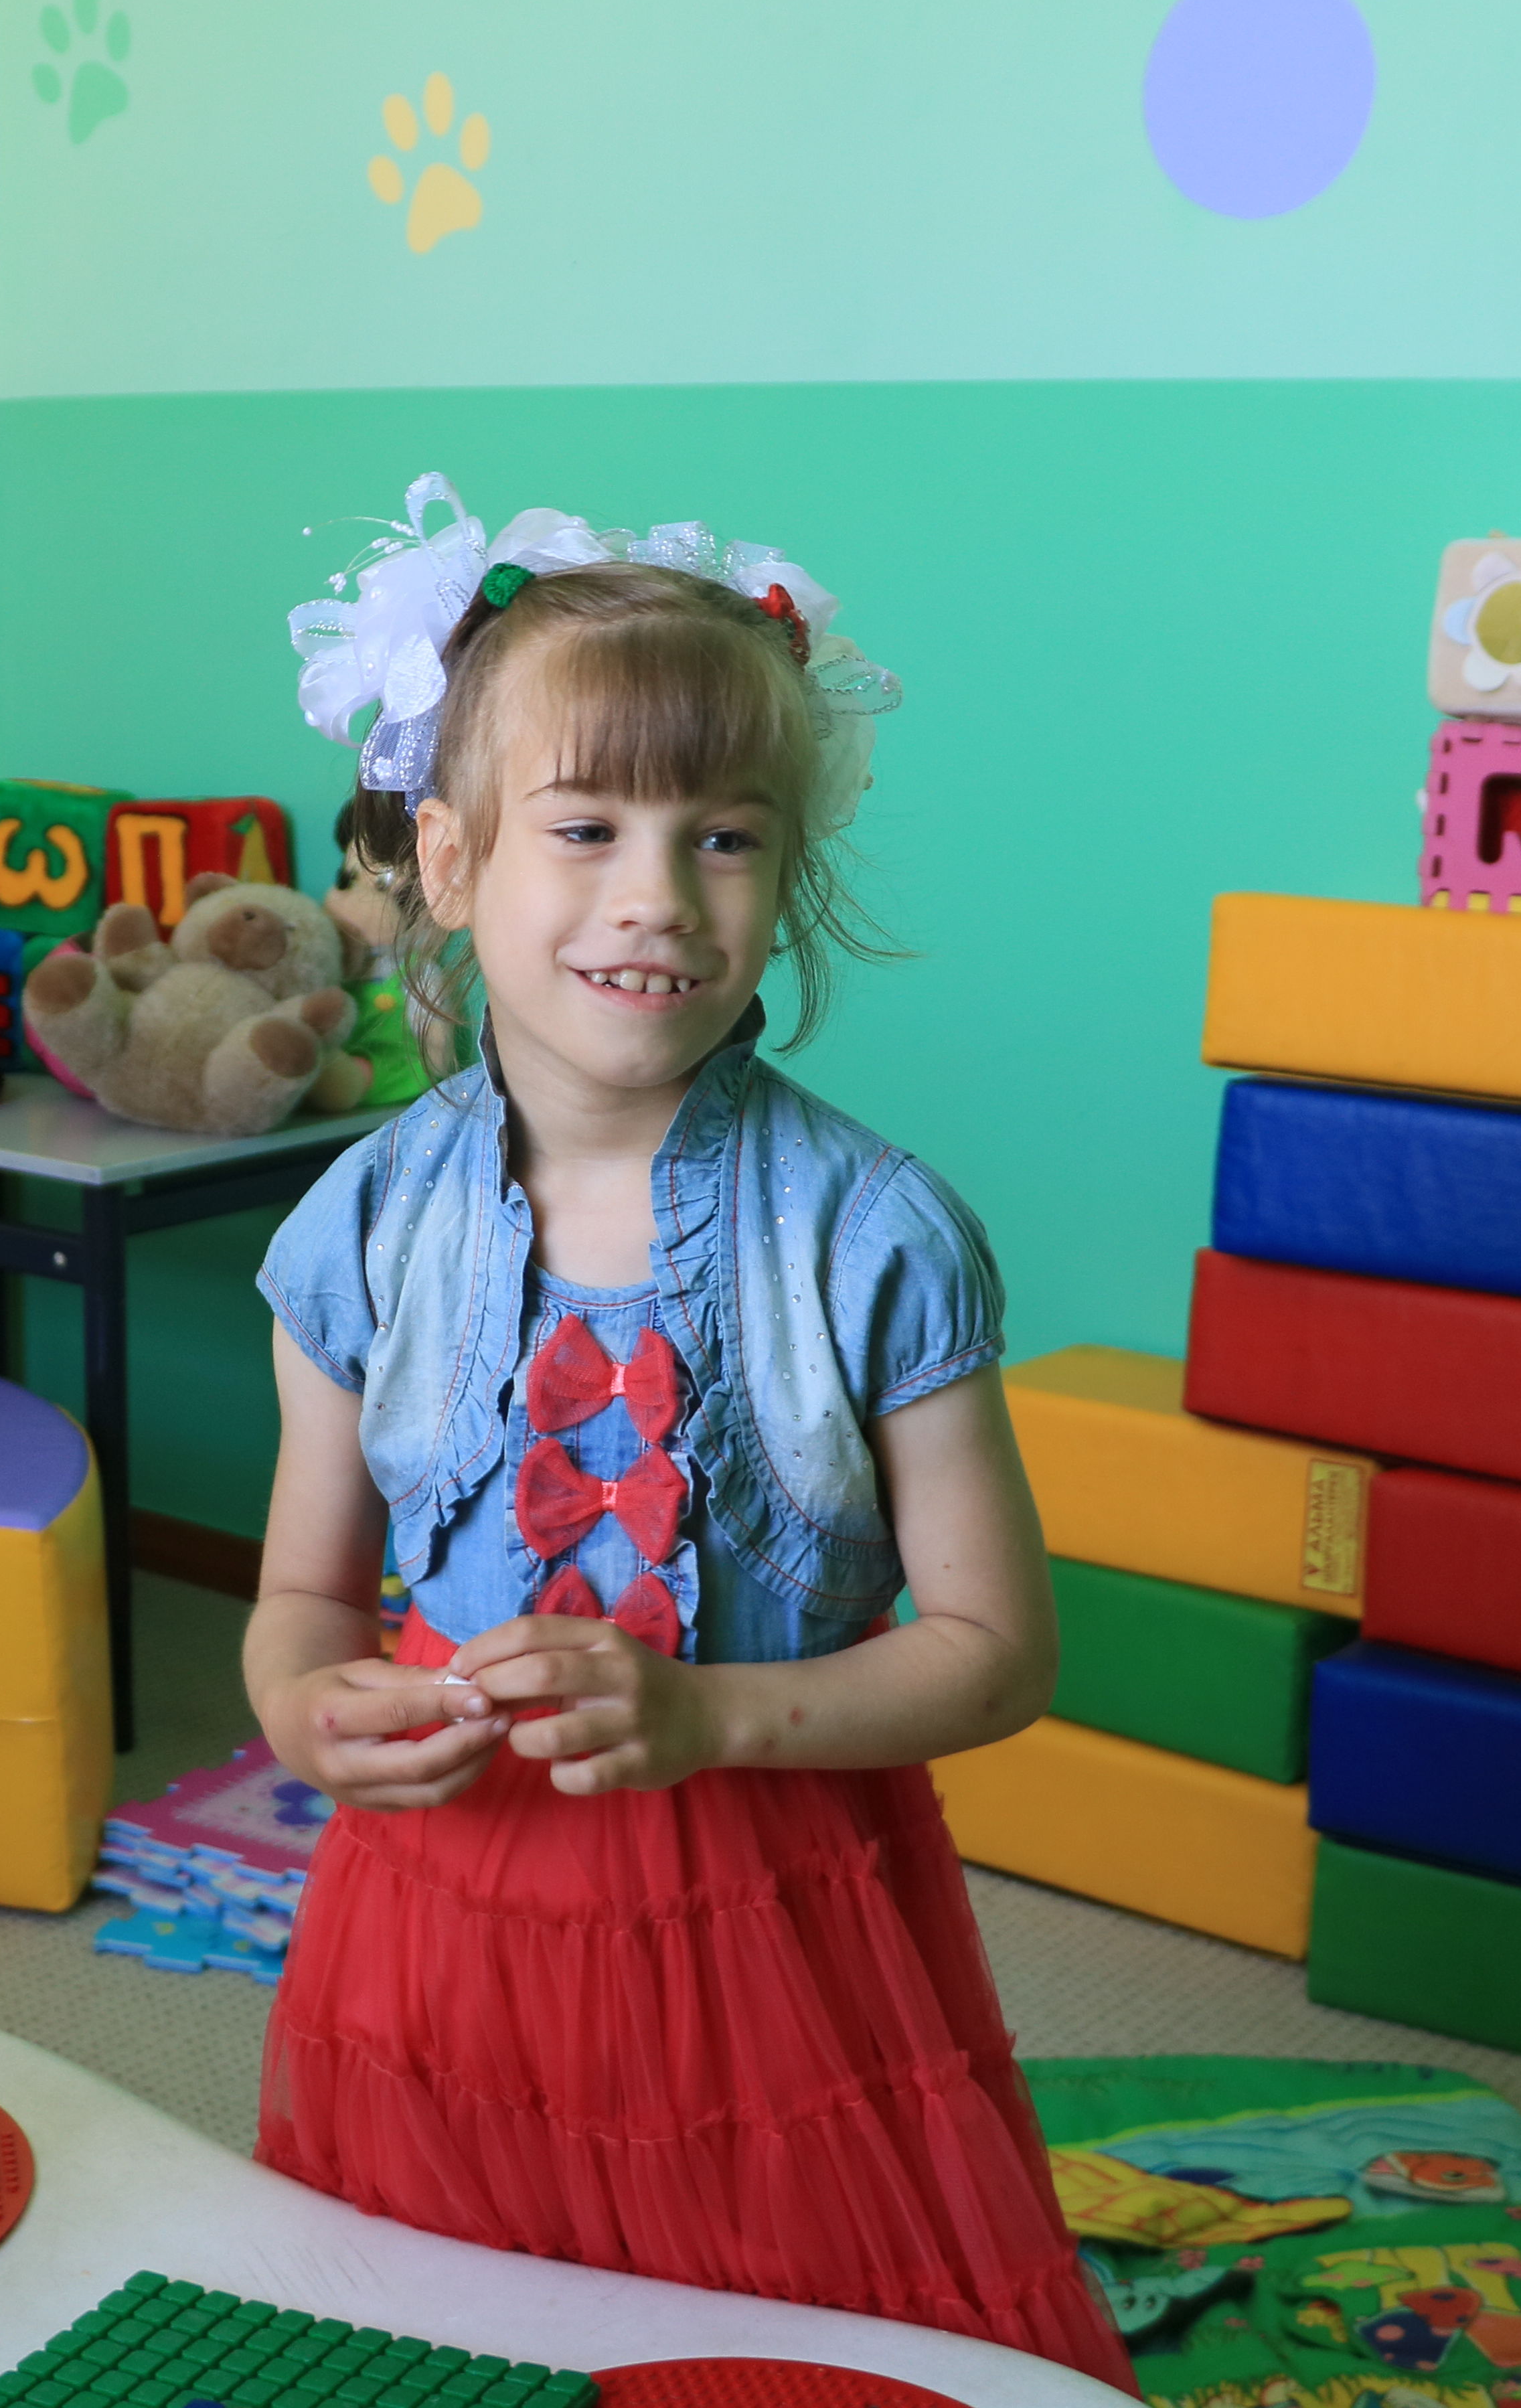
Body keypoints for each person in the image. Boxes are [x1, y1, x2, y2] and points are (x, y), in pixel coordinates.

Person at [243, 481, 1133, 2388]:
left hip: (768, 1942)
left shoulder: (877, 1235)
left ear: (783, 876)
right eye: (587, 827)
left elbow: (999, 1653)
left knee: (778, 2337)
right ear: (452, 859)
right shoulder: (358, 1230)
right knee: (446, 2325)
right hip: (438, 1925)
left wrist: (708, 1719)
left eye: (723, 836)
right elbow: (301, 1604)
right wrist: (304, 1709)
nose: (656, 893)